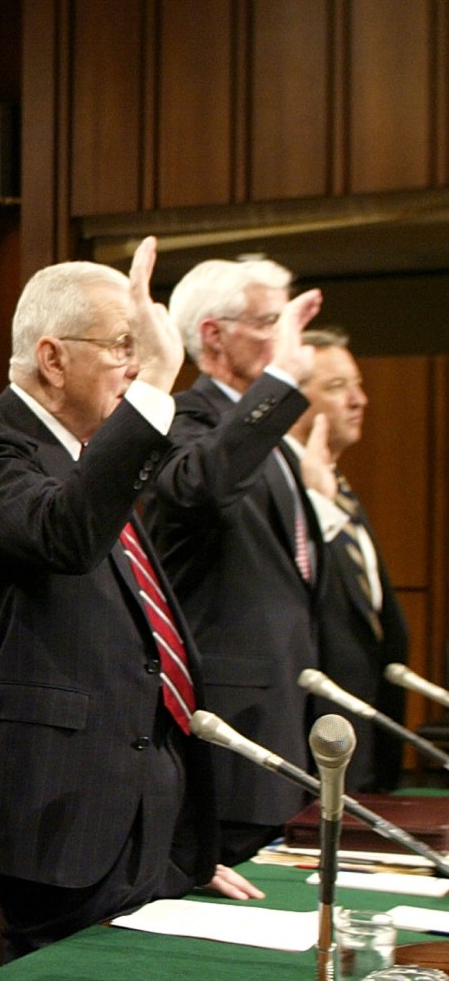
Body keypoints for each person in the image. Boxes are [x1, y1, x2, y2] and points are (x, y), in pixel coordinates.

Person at [0, 242, 263, 958]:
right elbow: (65, 534)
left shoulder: (94, 462)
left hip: (149, 825)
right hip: (62, 828)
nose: (138, 365)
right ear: (53, 359)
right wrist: (157, 390)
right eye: (124, 345)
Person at [144, 256, 323, 865]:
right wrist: (282, 384)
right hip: (231, 735)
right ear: (215, 334)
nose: (286, 339)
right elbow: (200, 488)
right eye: (271, 321)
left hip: (286, 722)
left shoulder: (268, 437)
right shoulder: (181, 419)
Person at [288, 328, 409, 792]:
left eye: (357, 384)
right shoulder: (280, 489)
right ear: (291, 399)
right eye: (336, 387)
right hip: (315, 747)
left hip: (368, 739)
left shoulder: (338, 485)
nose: (358, 400)